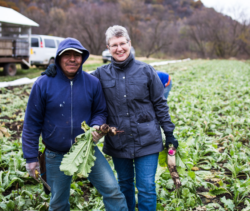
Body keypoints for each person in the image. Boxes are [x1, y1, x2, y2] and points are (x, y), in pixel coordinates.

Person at [43, 26, 179, 211]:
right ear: (108, 47)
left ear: (129, 44)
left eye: (123, 43)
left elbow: (160, 104)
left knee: (147, 188)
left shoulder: (146, 71)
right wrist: (57, 70)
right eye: (114, 45)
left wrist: (169, 133)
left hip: (147, 140)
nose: (119, 48)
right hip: (119, 142)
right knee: (124, 186)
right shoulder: (100, 74)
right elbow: (78, 79)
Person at [22, 37, 128, 211]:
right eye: (67, 55)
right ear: (58, 58)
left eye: (77, 55)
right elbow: (31, 123)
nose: (72, 59)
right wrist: (30, 157)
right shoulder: (43, 84)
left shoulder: (92, 83)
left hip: (87, 150)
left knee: (112, 190)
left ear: (83, 58)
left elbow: (100, 111)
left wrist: (96, 125)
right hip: (56, 154)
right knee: (58, 203)